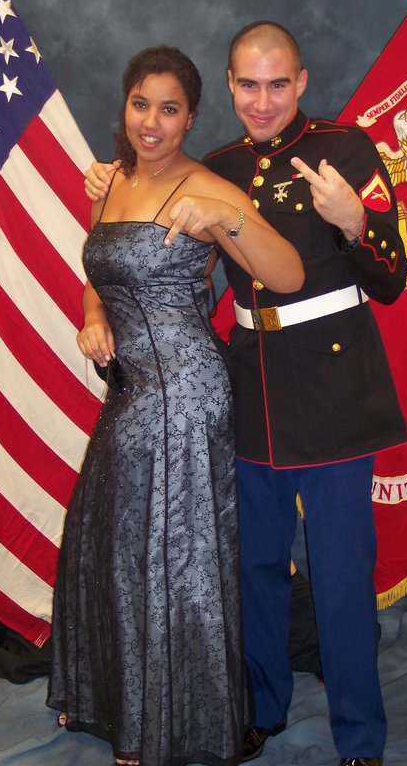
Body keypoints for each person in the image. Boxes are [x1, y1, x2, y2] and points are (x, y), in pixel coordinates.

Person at [85, 22, 407, 766]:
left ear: (301, 82)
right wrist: (111, 186)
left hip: (334, 390)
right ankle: (261, 709)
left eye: (277, 84)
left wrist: (356, 224)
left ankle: (360, 736)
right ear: (229, 86)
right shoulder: (218, 167)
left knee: (339, 575)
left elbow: (392, 279)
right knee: (255, 568)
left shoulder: (346, 152)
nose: (262, 102)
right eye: (248, 85)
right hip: (248, 383)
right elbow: (160, 254)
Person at [47, 45, 304, 766]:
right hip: (130, 390)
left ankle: (159, 724)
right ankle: (123, 702)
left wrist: (225, 218)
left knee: (166, 557)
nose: (151, 123)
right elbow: (98, 271)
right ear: (125, 106)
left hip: (185, 396)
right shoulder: (111, 181)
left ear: (191, 118)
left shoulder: (206, 187)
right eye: (141, 105)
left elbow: (286, 273)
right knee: (117, 545)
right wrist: (91, 317)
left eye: (169, 110)